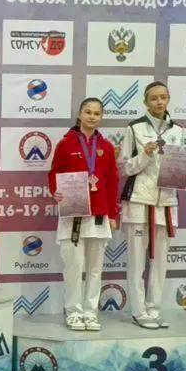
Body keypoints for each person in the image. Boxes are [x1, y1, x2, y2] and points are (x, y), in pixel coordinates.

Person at [118, 80, 186, 329]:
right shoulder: (134, 128)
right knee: (137, 260)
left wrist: (185, 168)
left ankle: (154, 309)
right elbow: (124, 167)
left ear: (168, 99)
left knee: (160, 262)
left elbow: (175, 165)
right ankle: (139, 311)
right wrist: (145, 154)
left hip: (167, 202)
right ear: (145, 102)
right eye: (154, 98)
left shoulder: (177, 130)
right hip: (139, 200)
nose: (159, 102)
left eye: (163, 97)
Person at [49, 97, 121, 331]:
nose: (92, 116)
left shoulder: (107, 147)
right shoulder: (65, 144)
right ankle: (73, 312)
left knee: (95, 268)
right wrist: (56, 191)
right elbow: (54, 174)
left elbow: (112, 181)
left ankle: (90, 312)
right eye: (88, 112)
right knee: (73, 266)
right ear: (80, 114)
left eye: (96, 113)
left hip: (99, 214)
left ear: (101, 117)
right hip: (73, 213)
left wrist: (113, 214)